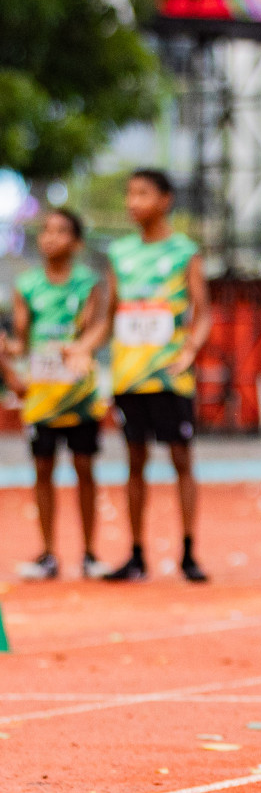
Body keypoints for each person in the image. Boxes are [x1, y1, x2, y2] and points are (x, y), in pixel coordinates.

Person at [96, 169, 212, 583]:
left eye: (142, 193)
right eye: (129, 194)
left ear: (165, 200)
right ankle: (137, 554)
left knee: (181, 460)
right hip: (129, 378)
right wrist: (81, 346)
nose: (132, 202)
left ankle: (188, 553)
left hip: (169, 378)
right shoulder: (120, 253)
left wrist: (190, 350)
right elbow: (106, 319)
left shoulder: (184, 251)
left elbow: (203, 313)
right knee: (134, 463)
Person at [1, 209, 109, 580]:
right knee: (43, 470)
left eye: (61, 231)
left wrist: (79, 350)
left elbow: (95, 330)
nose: (50, 237)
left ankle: (91, 554)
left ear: (76, 243)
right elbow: (19, 342)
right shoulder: (26, 285)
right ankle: (48, 554)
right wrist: (6, 359)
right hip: (41, 398)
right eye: (45, 230)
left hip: (79, 396)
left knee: (84, 469)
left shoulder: (88, 284)